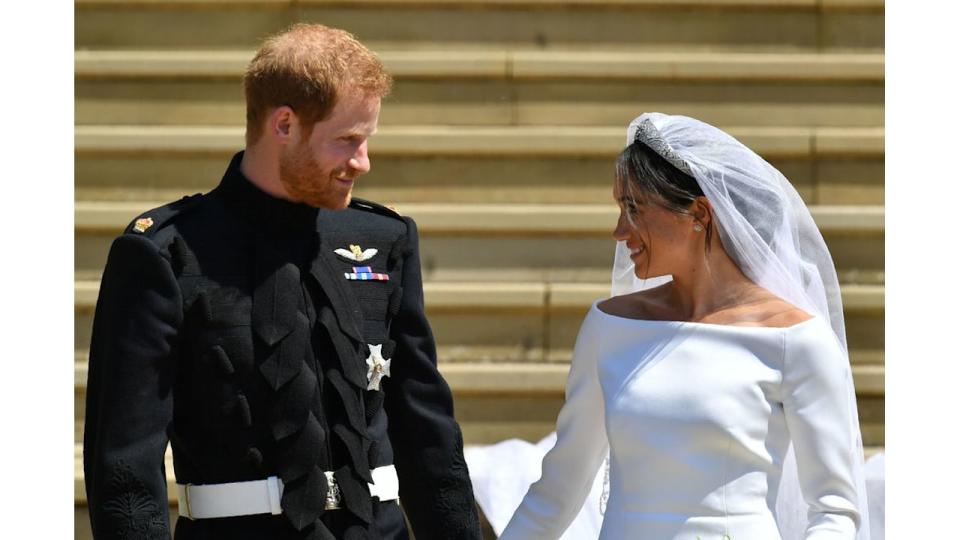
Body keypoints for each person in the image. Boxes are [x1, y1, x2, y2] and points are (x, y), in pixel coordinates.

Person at [83, 23, 482, 540]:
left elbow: (429, 434)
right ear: (285, 125)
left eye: (366, 140)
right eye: (347, 141)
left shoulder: (383, 237)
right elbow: (124, 468)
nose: (363, 162)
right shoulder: (164, 253)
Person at [497, 113, 870, 539]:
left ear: (699, 213)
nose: (620, 231)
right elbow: (557, 491)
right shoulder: (609, 327)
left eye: (634, 209)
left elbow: (835, 511)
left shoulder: (796, 341)